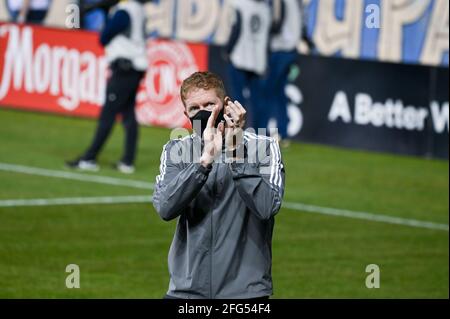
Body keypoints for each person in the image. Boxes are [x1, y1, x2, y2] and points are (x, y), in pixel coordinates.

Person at [153, 71, 285, 299]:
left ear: (226, 105)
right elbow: (165, 208)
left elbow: (266, 208)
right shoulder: (177, 150)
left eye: (209, 105)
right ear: (186, 113)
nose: (203, 113)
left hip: (245, 293)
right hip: (186, 291)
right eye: (195, 109)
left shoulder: (263, 148)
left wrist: (235, 152)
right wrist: (203, 163)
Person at [67, 0, 147, 174]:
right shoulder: (138, 9)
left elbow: (104, 37)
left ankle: (89, 158)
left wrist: (105, 14)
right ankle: (127, 161)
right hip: (136, 66)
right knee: (128, 114)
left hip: (125, 67)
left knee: (108, 114)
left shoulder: (124, 11)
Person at [226, 0, 271, 130]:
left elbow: (236, 29)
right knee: (258, 102)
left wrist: (228, 50)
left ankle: (237, 131)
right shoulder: (266, 9)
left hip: (240, 57)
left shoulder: (240, 5)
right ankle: (258, 134)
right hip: (258, 61)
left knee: (237, 100)